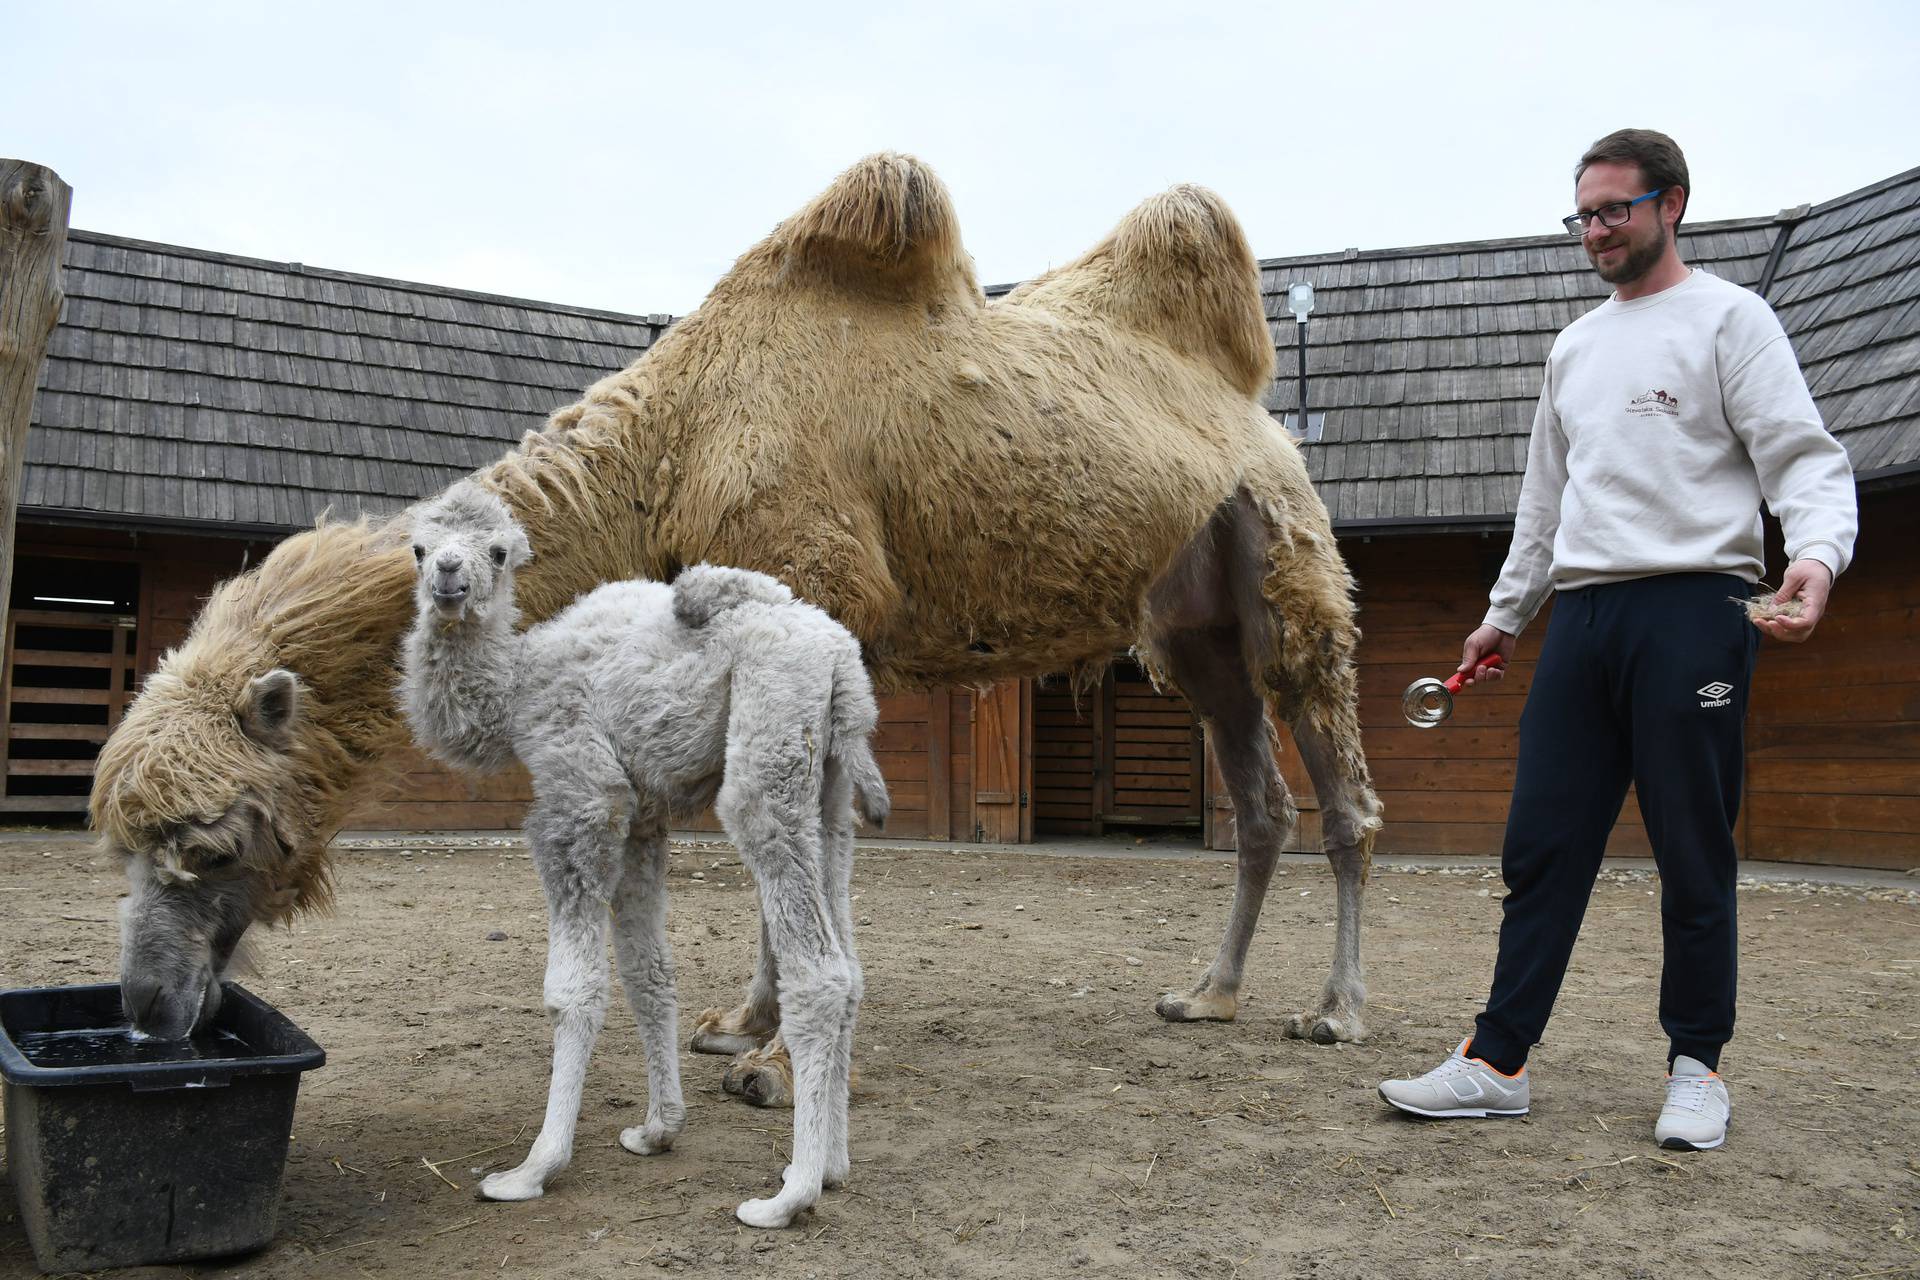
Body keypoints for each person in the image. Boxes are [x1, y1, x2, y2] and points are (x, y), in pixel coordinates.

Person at [1376, 129, 1857, 1150]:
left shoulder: (1733, 319)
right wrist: (1505, 615)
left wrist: (1815, 555)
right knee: (1542, 845)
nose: (1594, 230)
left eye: (1614, 211)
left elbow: (1803, 459)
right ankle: (1496, 1061)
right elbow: (1544, 503)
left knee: (1692, 848)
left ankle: (1696, 1065)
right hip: (1584, 621)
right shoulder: (1575, 347)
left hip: (1696, 609)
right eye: (1582, 214)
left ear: (1670, 203)